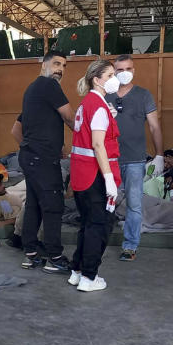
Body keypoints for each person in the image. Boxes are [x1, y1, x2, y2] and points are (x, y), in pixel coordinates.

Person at [11, 50, 76, 274]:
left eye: (64, 66)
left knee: (35, 205)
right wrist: (86, 136)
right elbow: (68, 116)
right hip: (41, 159)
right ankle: (55, 257)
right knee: (53, 206)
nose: (60, 69)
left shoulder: (32, 90)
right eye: (56, 63)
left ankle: (31, 254)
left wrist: (31, 147)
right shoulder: (49, 86)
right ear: (44, 65)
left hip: (30, 157)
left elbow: (15, 130)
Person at [67, 60, 122, 292]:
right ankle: (90, 277)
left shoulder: (88, 103)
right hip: (95, 174)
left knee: (88, 224)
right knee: (98, 225)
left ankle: (77, 271)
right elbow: (98, 145)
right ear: (97, 80)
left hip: (82, 173)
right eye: (110, 75)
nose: (114, 79)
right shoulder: (98, 106)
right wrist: (109, 178)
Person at [106, 54, 164, 261]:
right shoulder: (105, 95)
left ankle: (130, 246)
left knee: (134, 204)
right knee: (105, 202)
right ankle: (100, 240)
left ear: (134, 70)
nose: (124, 74)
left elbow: (155, 126)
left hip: (135, 160)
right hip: (109, 159)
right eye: (119, 70)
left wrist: (159, 155)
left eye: (128, 69)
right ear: (113, 72)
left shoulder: (143, 95)